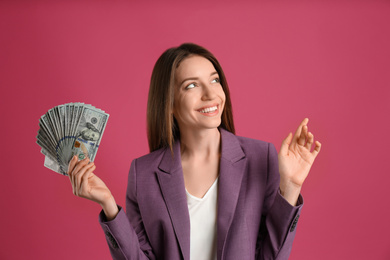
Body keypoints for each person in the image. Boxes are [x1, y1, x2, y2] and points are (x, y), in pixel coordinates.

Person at [67, 43, 321, 260]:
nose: (211, 94)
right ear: (169, 104)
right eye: (191, 86)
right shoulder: (143, 173)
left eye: (214, 80)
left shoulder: (260, 158)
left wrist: (291, 186)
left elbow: (271, 255)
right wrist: (108, 205)